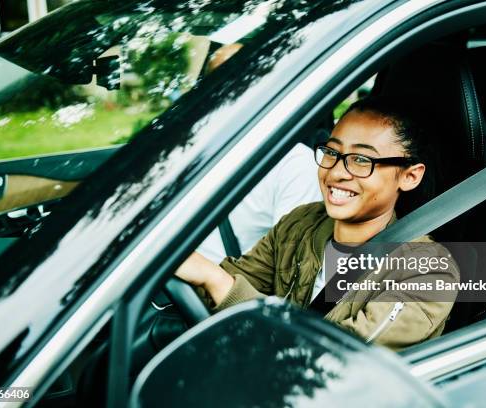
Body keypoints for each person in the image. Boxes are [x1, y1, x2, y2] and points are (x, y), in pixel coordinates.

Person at [176, 96, 459, 350]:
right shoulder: (302, 223)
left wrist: (213, 278)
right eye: (332, 153)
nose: (336, 172)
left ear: (410, 176)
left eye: (362, 160)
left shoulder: (430, 271)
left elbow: (327, 357)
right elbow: (228, 287)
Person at [197, 41, 321, 262]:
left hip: (219, 292)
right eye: (218, 85)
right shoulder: (185, 157)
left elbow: (288, 277)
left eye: (241, 85)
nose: (227, 95)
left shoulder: (295, 166)